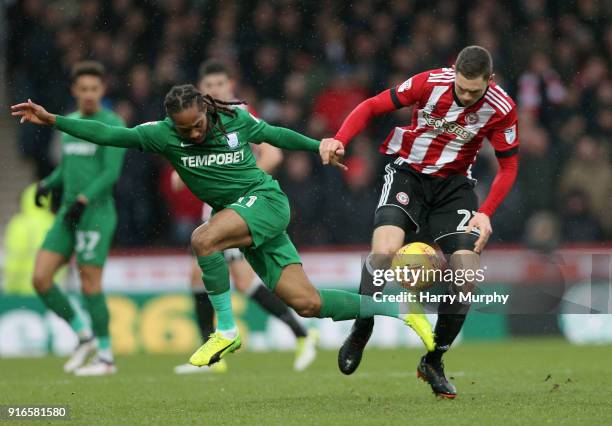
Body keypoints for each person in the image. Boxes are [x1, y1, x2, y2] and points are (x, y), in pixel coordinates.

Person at [11, 83, 435, 371]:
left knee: (203, 238)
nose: (193, 133)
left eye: (197, 124)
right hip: (244, 220)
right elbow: (106, 134)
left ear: (207, 110)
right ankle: (401, 310)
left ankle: (226, 331)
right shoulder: (161, 135)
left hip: (265, 203)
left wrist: (319, 146)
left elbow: (275, 135)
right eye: (185, 129)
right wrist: (54, 121)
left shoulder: (234, 120)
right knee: (305, 302)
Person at [319, 46, 519, 398]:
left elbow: (509, 166)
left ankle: (434, 359)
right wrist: (340, 139)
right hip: (408, 174)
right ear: (453, 70)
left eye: (476, 91)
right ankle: (363, 324)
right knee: (383, 253)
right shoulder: (429, 83)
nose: (468, 96)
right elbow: (371, 106)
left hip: (454, 188)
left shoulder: (501, 108)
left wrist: (486, 211)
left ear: (491, 80)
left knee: (467, 270)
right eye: (463, 88)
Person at [173, 60, 318, 375]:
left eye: (219, 84)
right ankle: (214, 354)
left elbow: (274, 153)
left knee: (240, 279)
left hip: (241, 206)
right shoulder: (198, 122)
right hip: (215, 205)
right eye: (208, 85)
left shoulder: (237, 113)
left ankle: (300, 332)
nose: (214, 90)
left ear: (230, 85)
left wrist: (244, 186)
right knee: (197, 277)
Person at [24, 61, 126, 376]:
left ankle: (106, 357)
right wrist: (47, 183)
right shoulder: (68, 123)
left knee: (89, 282)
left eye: (94, 88)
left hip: (95, 213)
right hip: (68, 212)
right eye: (83, 89)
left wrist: (84, 199)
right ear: (75, 91)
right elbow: (67, 168)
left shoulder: (112, 123)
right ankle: (84, 334)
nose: (89, 94)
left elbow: (110, 173)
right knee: (40, 278)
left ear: (103, 90)